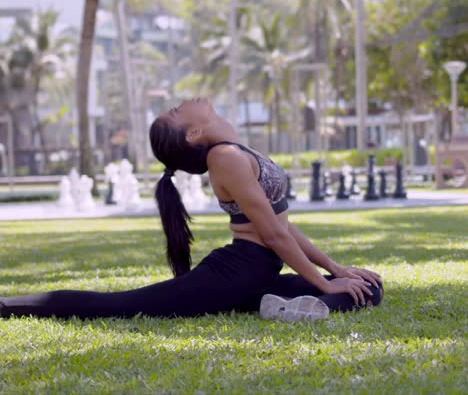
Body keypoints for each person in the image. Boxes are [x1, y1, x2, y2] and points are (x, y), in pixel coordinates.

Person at [0, 98, 383, 322]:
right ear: (193, 134)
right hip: (235, 271)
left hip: (256, 275)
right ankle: (7, 306)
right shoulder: (225, 157)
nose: (186, 102)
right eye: (178, 109)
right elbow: (273, 235)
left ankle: (276, 306)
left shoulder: (237, 153)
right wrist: (325, 281)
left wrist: (337, 271)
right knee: (121, 304)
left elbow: (282, 224)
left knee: (368, 287)